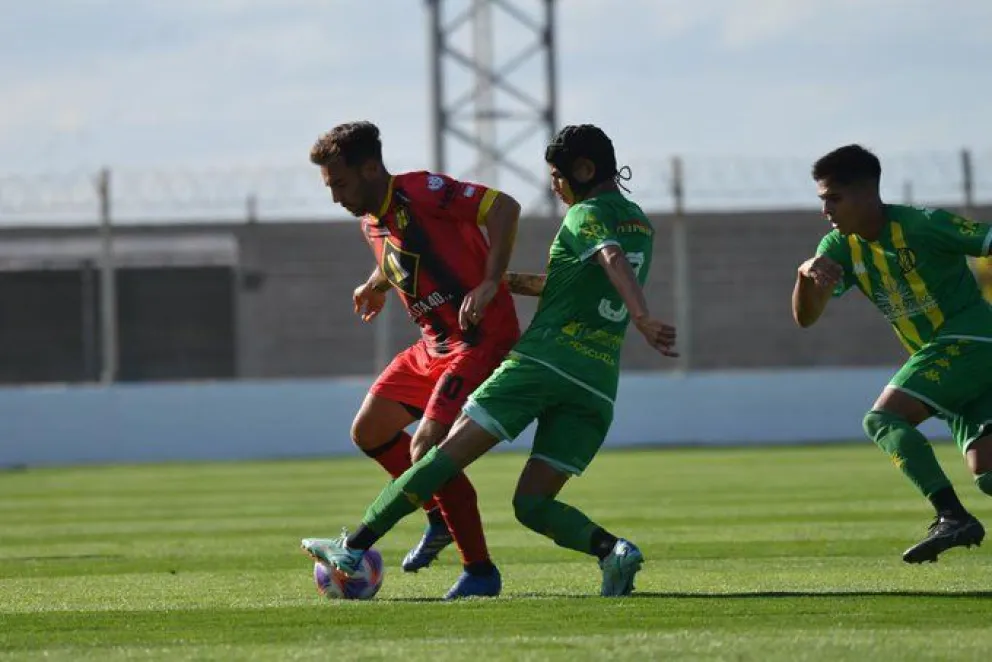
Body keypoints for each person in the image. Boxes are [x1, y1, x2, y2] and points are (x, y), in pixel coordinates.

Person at [303, 124, 678, 597]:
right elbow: (577, 281)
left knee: (436, 454)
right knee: (531, 504)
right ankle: (613, 551)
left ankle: (360, 548)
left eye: (557, 176)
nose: (553, 186)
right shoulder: (639, 221)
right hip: (596, 380)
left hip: (536, 362)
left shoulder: (584, 214)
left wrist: (641, 316)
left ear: (583, 171)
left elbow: (607, 255)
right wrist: (388, 283)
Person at [308, 121, 522, 598]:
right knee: (369, 431)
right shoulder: (370, 221)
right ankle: (437, 516)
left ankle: (480, 571)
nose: (336, 197)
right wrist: (375, 284)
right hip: (432, 347)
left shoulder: (424, 192)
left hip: (478, 339)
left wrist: (491, 281)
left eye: (340, 184)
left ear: (370, 169)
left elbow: (504, 207)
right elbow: (404, 254)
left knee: (426, 450)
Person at [793, 144, 990, 563]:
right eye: (823, 199)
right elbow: (806, 318)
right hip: (951, 361)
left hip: (972, 339)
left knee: (883, 418)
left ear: (867, 193)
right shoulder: (839, 246)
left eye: (834, 198)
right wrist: (805, 274)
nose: (826, 210)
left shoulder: (922, 224)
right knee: (987, 471)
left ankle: (952, 516)